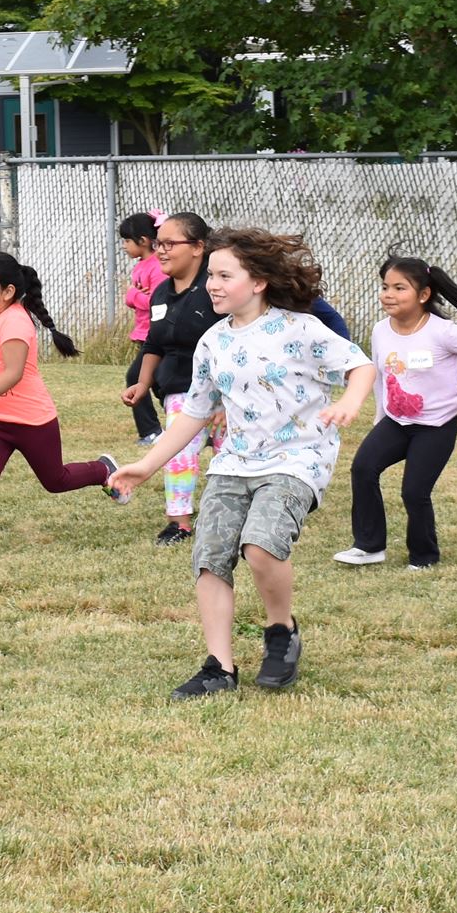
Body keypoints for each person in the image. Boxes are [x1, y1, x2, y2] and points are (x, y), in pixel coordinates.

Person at [110, 230, 373, 696]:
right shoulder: (213, 341)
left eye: (223, 275)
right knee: (210, 556)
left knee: (260, 547)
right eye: (210, 274)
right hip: (235, 462)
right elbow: (194, 411)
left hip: (298, 459)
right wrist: (146, 465)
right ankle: (219, 668)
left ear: (258, 282)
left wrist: (351, 401)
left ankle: (280, 632)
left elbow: (360, 365)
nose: (211, 284)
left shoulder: (300, 328)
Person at [0, 252, 127, 570]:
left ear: (8, 292)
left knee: (55, 481)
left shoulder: (16, 320)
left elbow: (12, 374)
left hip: (32, 421)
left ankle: (102, 470)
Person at [335, 256, 457, 570]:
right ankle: (369, 546)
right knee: (363, 468)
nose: (388, 294)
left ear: (423, 295)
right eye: (385, 287)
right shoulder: (380, 330)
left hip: (436, 426)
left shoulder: (442, 332)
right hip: (397, 422)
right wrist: (380, 418)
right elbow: (382, 376)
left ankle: (424, 556)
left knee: (414, 491)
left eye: (400, 288)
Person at [124, 211, 215, 545]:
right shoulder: (161, 292)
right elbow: (154, 342)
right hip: (180, 389)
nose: (160, 250)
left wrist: (222, 401)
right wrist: (144, 383)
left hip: (224, 390)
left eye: (169, 244)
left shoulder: (216, 288)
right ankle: (180, 523)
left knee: (228, 456)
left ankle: (233, 515)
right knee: (177, 451)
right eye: (158, 243)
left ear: (197, 248)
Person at [118, 211, 167, 444]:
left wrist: (132, 294)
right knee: (159, 382)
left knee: (136, 377)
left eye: (127, 241)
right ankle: (187, 424)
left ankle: (151, 431)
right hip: (143, 333)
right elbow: (141, 298)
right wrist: (137, 295)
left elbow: (156, 300)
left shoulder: (157, 266)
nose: (125, 246)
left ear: (144, 241)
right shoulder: (140, 266)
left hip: (155, 335)